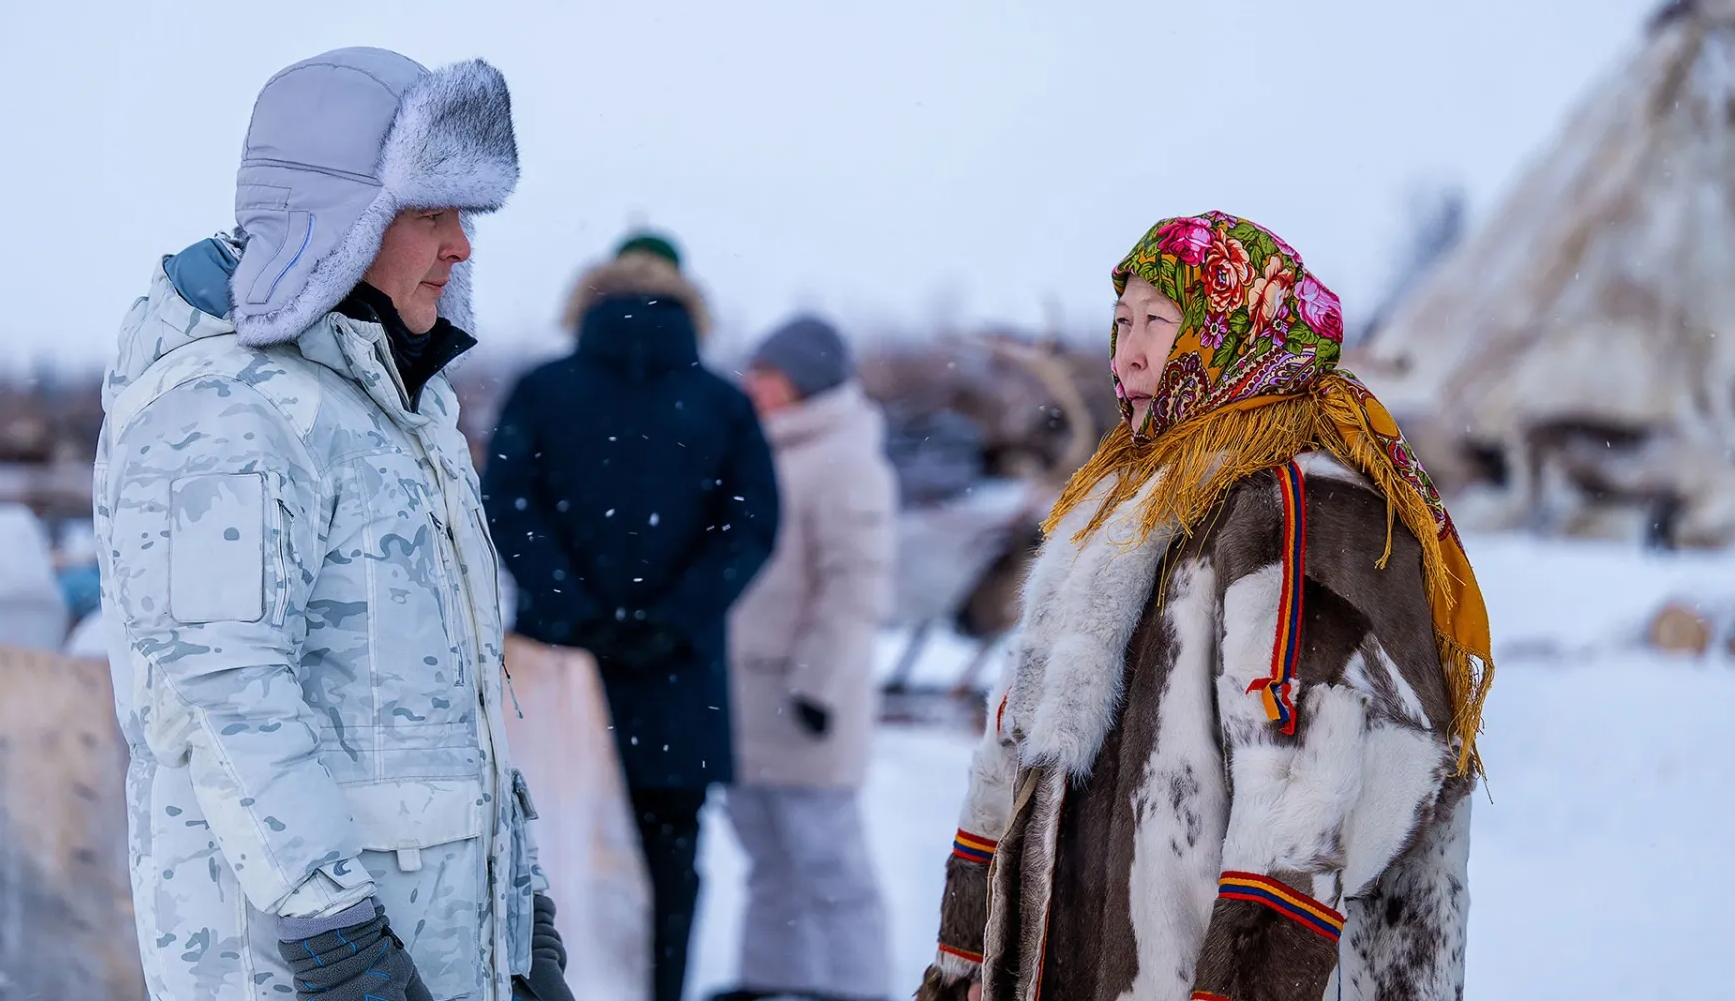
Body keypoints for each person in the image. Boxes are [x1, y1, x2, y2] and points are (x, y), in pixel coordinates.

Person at [94, 47, 572, 1001]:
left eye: (464, 215)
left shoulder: (400, 409)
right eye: (430, 213)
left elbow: (452, 700)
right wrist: (334, 938)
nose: (461, 247)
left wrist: (523, 920)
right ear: (339, 218)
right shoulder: (229, 409)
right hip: (302, 969)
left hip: (436, 952)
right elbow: (223, 698)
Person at [916, 212, 1493, 1001]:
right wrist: (970, 966)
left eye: (1160, 321)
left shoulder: (1301, 508)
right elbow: (1013, 763)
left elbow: (1310, 806)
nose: (1131, 349)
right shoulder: (1114, 503)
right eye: (1122, 322)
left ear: (1237, 328)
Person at [481, 232, 780, 1001]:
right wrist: (672, 618)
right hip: (677, 682)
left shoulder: (543, 390)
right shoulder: (722, 401)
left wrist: (577, 613)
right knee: (668, 869)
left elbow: (510, 510)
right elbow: (750, 527)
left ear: (588, 302)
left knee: (547, 870)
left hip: (558, 679)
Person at [709, 316, 898, 1001]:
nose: (754, 383)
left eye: (769, 372)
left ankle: (859, 987)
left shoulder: (845, 458)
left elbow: (856, 584)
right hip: (744, 701)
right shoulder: (764, 449)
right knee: (768, 860)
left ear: (807, 379)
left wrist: (815, 686)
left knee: (831, 867)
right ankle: (770, 979)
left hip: (805, 706)